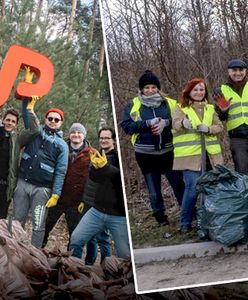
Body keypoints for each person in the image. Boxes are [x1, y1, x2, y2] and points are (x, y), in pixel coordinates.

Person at [121, 70, 184, 226]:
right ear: (141, 89)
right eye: (147, 88)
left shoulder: (169, 103)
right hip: (145, 153)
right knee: (154, 189)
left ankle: (187, 211)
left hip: (168, 151)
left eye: (153, 87)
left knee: (178, 184)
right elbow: (127, 127)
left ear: (158, 88)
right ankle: (160, 217)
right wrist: (147, 124)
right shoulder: (133, 104)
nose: (150, 90)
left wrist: (165, 123)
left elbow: (179, 120)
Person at [43, 122, 111, 264]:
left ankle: (69, 263)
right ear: (70, 134)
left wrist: (85, 200)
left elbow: (93, 179)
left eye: (79, 132)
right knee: (45, 228)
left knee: (74, 236)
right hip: (57, 198)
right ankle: (39, 254)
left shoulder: (92, 153)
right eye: (73, 132)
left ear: (84, 135)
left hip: (76, 202)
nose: (76, 135)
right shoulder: (60, 147)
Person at [69, 126, 130, 260]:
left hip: (118, 215)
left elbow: (119, 179)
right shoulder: (97, 155)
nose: (103, 140)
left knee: (124, 254)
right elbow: (94, 179)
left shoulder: (118, 156)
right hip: (96, 210)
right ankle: (74, 269)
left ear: (114, 140)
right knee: (76, 239)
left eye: (107, 138)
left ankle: (109, 271)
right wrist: (96, 169)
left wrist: (106, 168)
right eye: (101, 138)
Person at [172, 78, 224, 233]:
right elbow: (175, 123)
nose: (199, 92)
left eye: (201, 90)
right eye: (195, 89)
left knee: (211, 189)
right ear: (189, 91)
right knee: (193, 188)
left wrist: (208, 129)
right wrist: (183, 124)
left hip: (210, 156)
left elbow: (219, 126)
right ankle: (185, 222)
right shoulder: (180, 107)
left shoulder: (209, 108)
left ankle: (209, 220)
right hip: (190, 156)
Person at [13, 106, 69, 248]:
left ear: (61, 122)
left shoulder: (62, 146)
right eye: (50, 118)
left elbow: (61, 171)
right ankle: (14, 248)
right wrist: (28, 108)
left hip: (42, 190)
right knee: (18, 221)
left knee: (38, 224)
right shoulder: (35, 133)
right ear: (46, 119)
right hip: (22, 184)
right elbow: (27, 120)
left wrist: (56, 194)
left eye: (56, 119)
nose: (53, 121)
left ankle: (35, 253)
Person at [0, 106, 40, 219]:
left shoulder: (17, 140)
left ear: (16, 125)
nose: (10, 123)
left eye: (13, 121)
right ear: (3, 121)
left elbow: (35, 130)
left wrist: (30, 111)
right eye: (7, 120)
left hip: (4, 186)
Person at [213, 58, 248, 174]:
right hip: (237, 137)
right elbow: (220, 118)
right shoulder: (221, 90)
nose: (238, 73)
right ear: (229, 72)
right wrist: (223, 111)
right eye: (234, 70)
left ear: (245, 71)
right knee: (242, 170)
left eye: (241, 70)